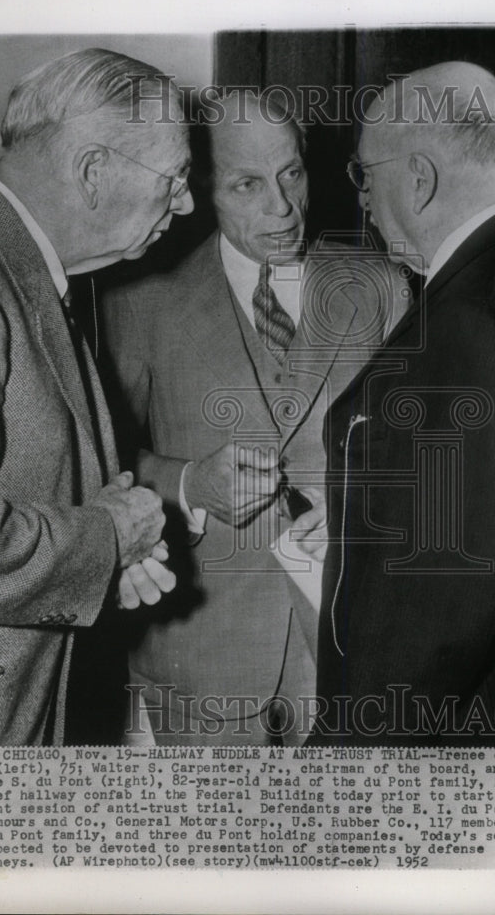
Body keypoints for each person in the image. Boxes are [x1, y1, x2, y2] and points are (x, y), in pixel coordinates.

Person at [99, 91, 409, 745]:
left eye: (291, 173)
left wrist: (367, 499)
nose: (282, 206)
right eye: (247, 183)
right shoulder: (139, 299)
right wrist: (188, 484)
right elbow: (100, 464)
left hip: (348, 643)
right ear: (199, 187)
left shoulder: (379, 284)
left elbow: (421, 454)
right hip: (205, 657)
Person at [0, 48, 194, 747]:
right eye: (175, 178)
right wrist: (109, 536)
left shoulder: (24, 274)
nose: (188, 203)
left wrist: (99, 563)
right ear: (93, 172)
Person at [314, 62, 495, 750]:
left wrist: (343, 770)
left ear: (417, 177)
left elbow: (433, 605)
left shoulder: (461, 324)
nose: (360, 199)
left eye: (365, 174)